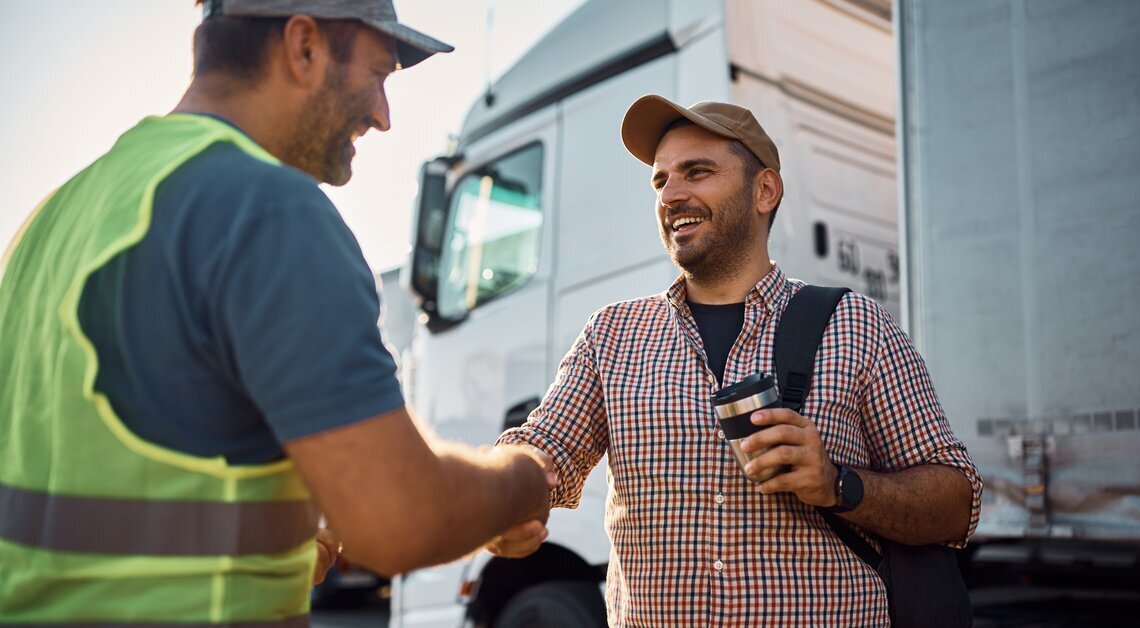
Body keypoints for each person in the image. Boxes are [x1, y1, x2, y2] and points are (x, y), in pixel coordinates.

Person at [0, 1, 554, 624]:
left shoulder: (49, 220)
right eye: (378, 74)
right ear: (304, 47)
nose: (383, 116)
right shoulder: (265, 207)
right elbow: (400, 521)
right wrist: (525, 478)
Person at [489, 95, 982, 625]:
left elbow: (956, 502)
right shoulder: (612, 334)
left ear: (764, 190)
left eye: (696, 172)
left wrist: (838, 483)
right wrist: (500, 497)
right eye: (660, 181)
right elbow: (542, 448)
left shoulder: (856, 325)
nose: (671, 195)